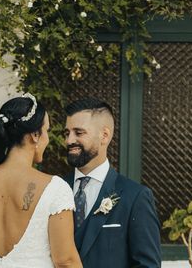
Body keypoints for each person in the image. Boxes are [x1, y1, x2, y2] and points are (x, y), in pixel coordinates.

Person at [0, 94, 82, 268]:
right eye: (46, 131)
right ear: (34, 134)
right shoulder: (54, 189)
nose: (47, 139)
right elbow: (66, 262)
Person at [63, 98, 162, 268]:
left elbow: (148, 265)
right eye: (67, 133)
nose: (69, 140)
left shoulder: (135, 197)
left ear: (105, 135)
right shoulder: (54, 188)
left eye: (78, 133)